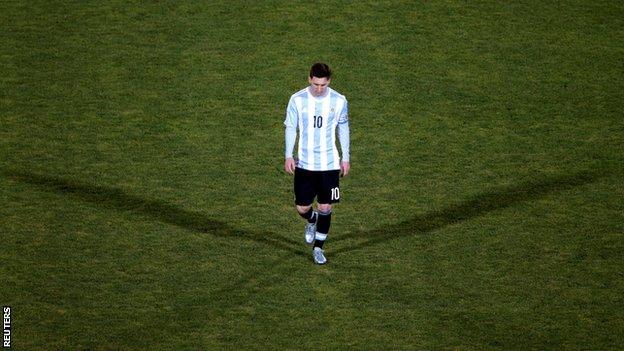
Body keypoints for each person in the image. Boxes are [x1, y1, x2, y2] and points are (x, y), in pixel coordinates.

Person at [283, 62, 350, 265]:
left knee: (325, 206)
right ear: (309, 79)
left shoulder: (339, 101)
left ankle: (318, 248)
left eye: (323, 84)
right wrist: (288, 155)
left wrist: (345, 157)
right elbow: (290, 128)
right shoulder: (297, 99)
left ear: (328, 81)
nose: (319, 88)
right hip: (304, 163)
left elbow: (343, 129)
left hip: (329, 164)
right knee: (302, 208)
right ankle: (311, 220)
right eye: (315, 84)